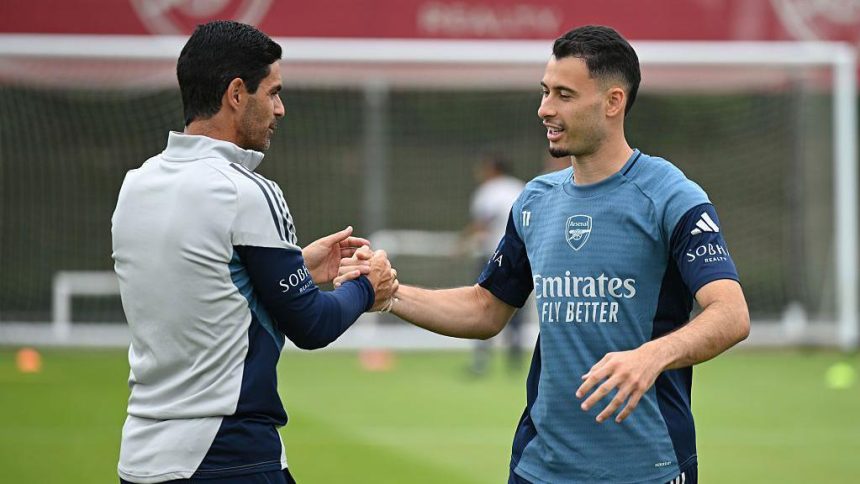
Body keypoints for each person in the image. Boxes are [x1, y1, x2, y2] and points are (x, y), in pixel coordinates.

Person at [340, 25, 749, 483]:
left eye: (564, 95)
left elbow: (731, 313)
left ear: (613, 102)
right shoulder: (535, 201)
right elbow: (486, 308)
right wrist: (390, 295)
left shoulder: (671, 195)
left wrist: (652, 355)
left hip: (648, 468)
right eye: (545, 92)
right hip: (541, 468)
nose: (545, 109)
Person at [111, 21, 396, 484]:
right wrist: (369, 285)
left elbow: (201, 284)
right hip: (228, 455)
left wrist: (295, 266)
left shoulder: (135, 184)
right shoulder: (246, 190)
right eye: (274, 92)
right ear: (237, 94)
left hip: (141, 458)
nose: (281, 108)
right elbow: (312, 325)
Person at [463, 153, 525, 375]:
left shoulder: (488, 191)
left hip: (493, 255)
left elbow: (483, 223)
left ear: (492, 169)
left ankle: (481, 359)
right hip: (520, 256)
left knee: (482, 305)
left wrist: (463, 242)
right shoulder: (521, 187)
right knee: (516, 309)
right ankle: (515, 359)